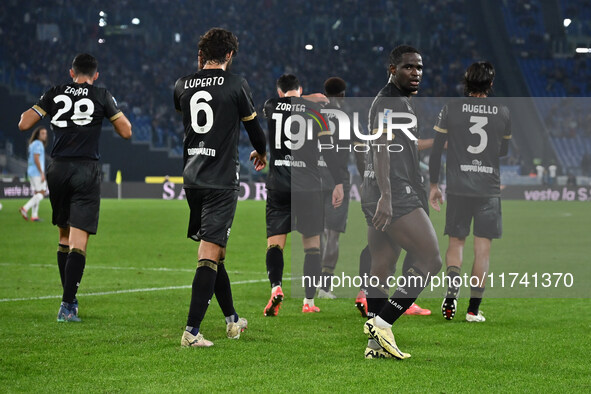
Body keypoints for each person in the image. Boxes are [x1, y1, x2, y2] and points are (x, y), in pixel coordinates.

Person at [18, 53, 132, 322]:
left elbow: (24, 123)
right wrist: (109, 111)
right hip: (85, 169)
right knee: (79, 242)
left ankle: (68, 299)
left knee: (64, 237)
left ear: (71, 73)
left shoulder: (54, 92)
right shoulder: (102, 95)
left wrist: (44, 107)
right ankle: (68, 305)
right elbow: (126, 131)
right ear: (96, 75)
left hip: (57, 169)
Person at [173, 28, 267, 347]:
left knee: (218, 253)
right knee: (209, 253)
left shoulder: (182, 84)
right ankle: (192, 331)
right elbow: (254, 130)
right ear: (229, 55)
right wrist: (262, 151)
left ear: (202, 54)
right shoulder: (237, 84)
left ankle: (232, 320)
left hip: (192, 176)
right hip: (221, 178)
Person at [361, 45, 442, 360]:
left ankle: (375, 346)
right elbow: (381, 146)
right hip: (393, 190)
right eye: (409, 67)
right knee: (430, 260)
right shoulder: (391, 102)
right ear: (392, 69)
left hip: (380, 189)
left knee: (381, 263)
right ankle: (381, 323)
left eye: (419, 67)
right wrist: (387, 195)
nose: (416, 73)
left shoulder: (396, 101)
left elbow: (402, 146)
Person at [429, 61, 511, 323]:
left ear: (466, 82)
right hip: (488, 188)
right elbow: (503, 151)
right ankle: (473, 310)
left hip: (458, 186)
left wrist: (433, 184)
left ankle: (451, 294)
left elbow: (436, 149)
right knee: (482, 251)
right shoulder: (503, 111)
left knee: (456, 242)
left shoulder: (451, 108)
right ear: (490, 83)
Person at [262, 74, 345, 316]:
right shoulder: (316, 112)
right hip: (309, 186)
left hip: (279, 184)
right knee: (312, 246)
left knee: (275, 243)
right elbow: (328, 152)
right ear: (301, 89)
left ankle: (276, 288)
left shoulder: (271, 106)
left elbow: (285, 102)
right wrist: (338, 182)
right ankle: (308, 302)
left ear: (279, 92)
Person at [317, 77, 352, 299]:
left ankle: (312, 282)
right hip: (336, 178)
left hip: (314, 177)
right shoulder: (345, 118)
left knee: (317, 232)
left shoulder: (314, 115)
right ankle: (325, 287)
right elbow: (346, 151)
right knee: (333, 235)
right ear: (342, 94)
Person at [19, 126, 48, 221]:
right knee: (42, 193)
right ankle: (25, 208)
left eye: (46, 133)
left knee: (37, 193)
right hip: (36, 173)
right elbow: (36, 159)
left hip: (31, 172)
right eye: (43, 133)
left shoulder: (32, 144)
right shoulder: (38, 144)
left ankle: (34, 216)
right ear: (38, 135)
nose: (45, 135)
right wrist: (42, 173)